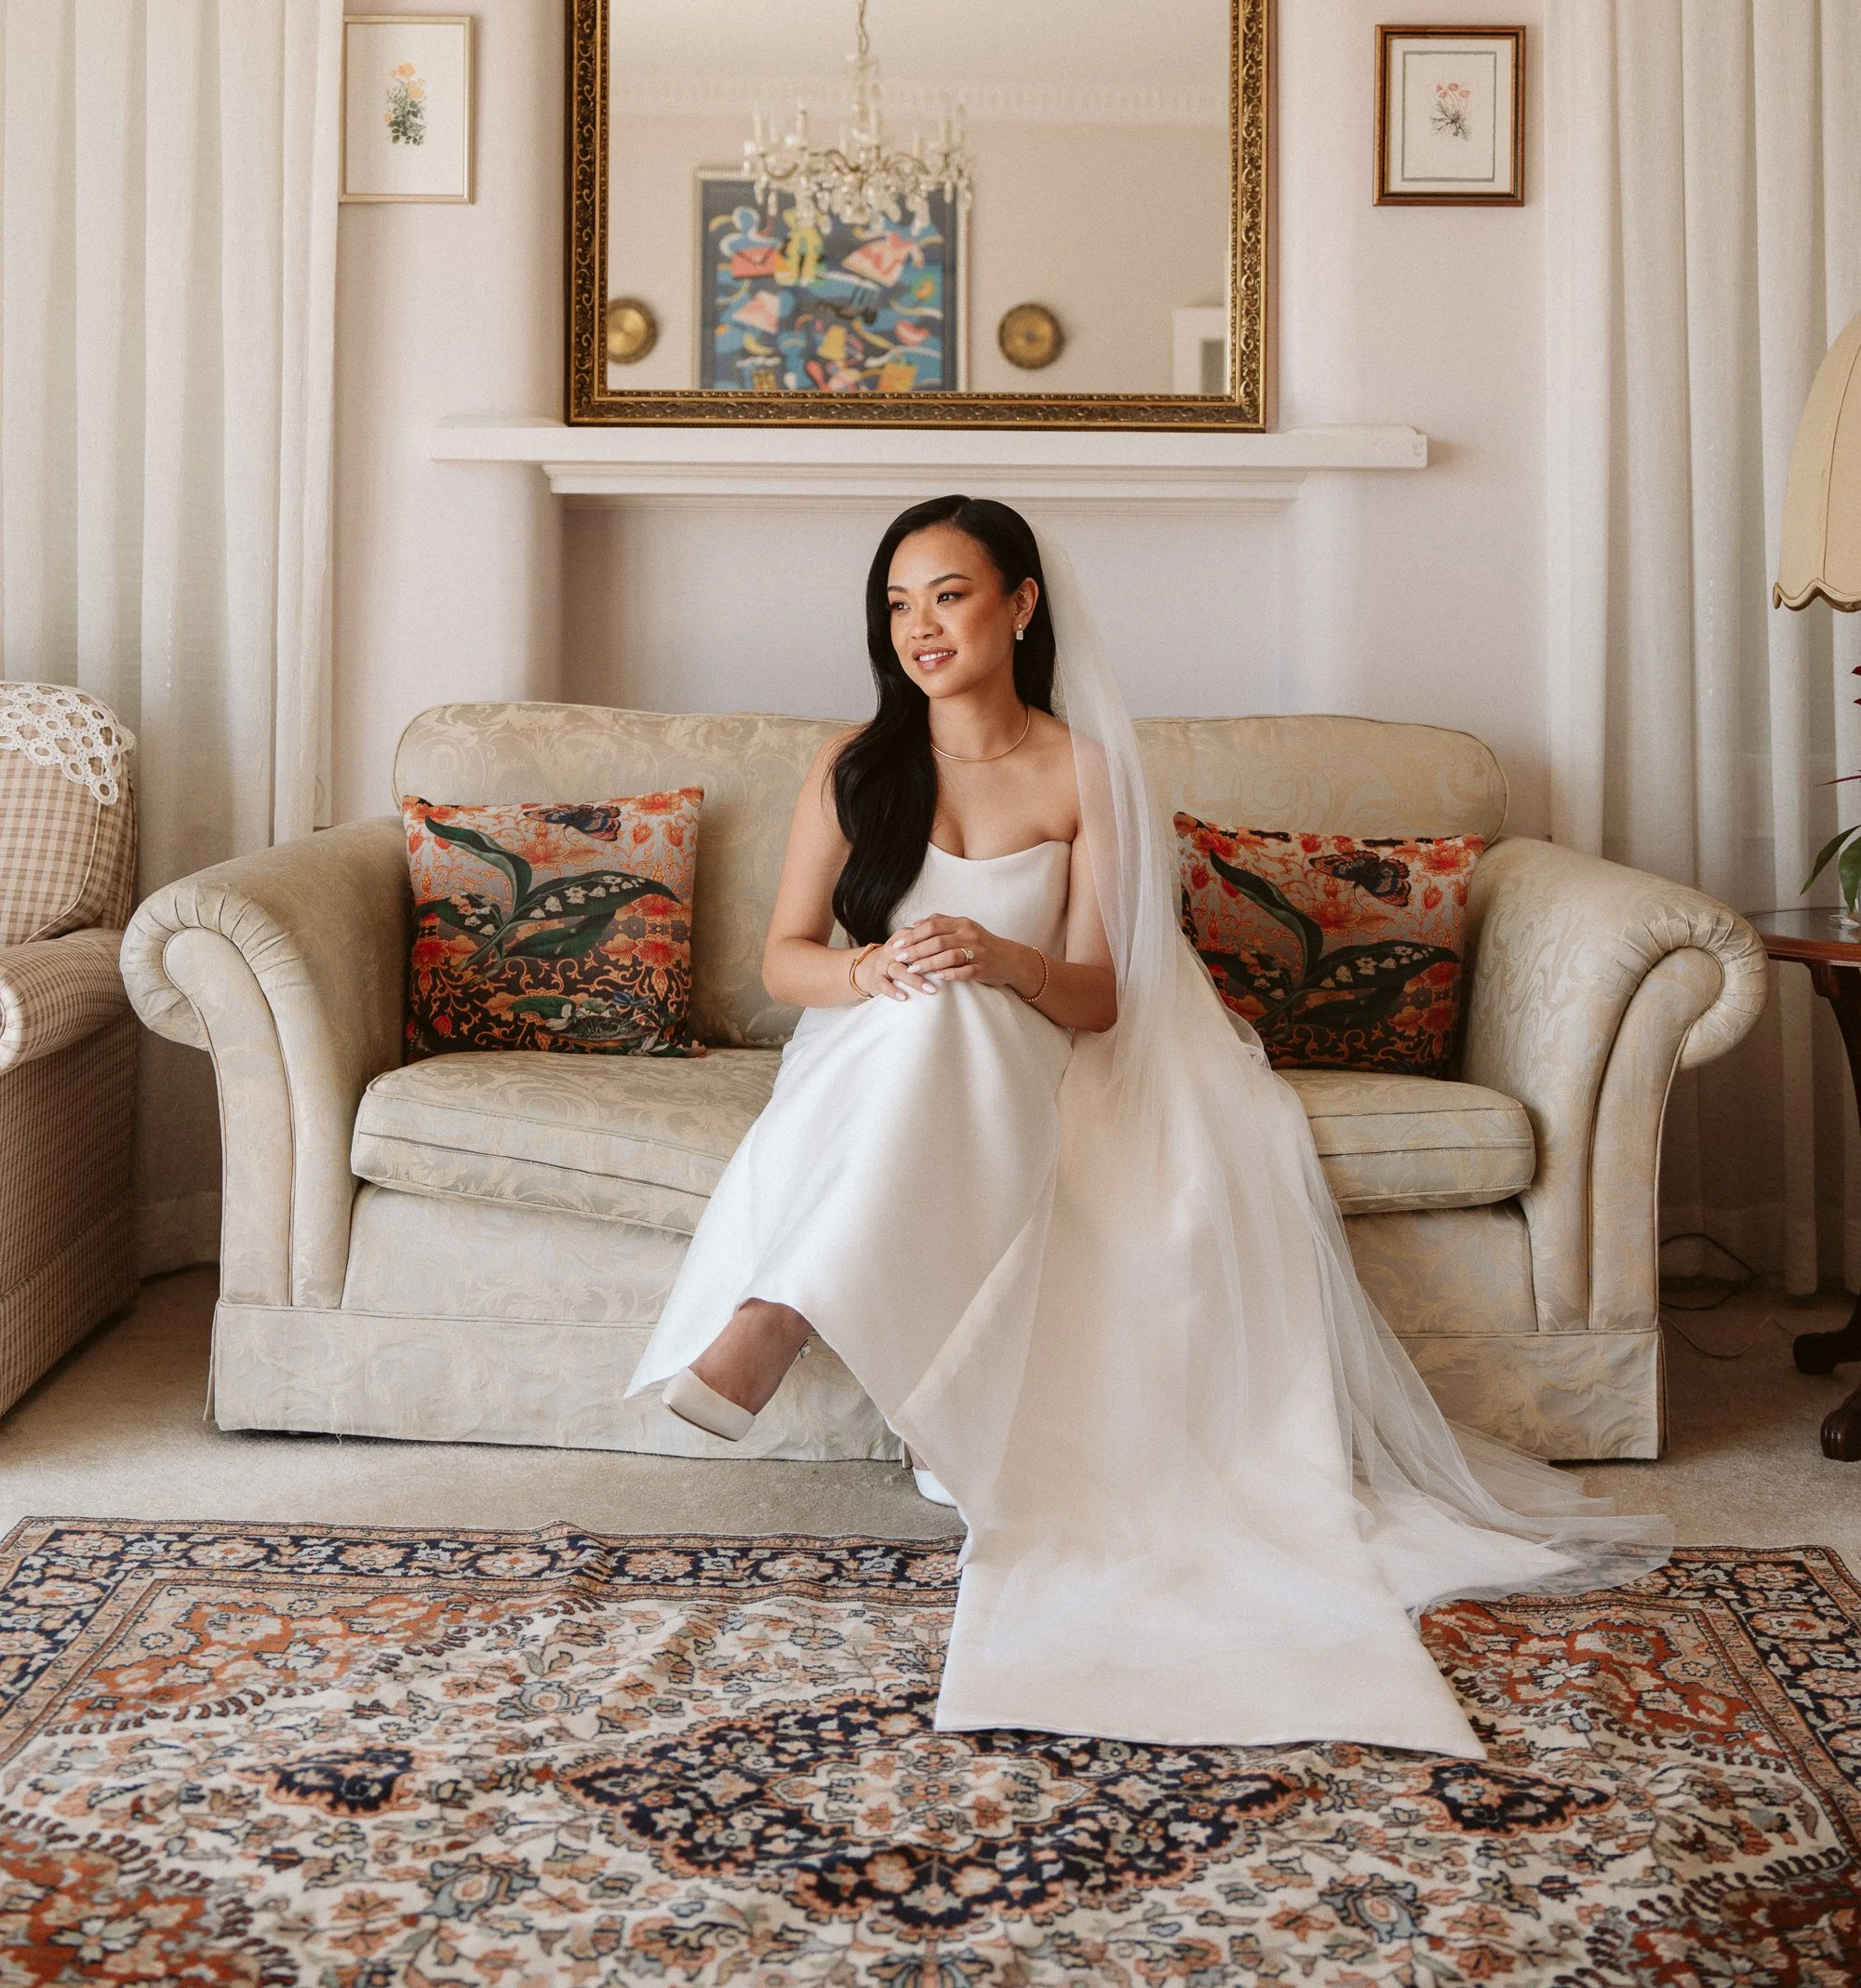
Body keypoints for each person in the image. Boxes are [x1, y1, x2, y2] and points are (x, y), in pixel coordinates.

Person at [629, 496, 1671, 1754]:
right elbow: (788, 960)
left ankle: (782, 1310)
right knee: (926, 1014)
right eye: (898, 603)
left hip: (1027, 1037)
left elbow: (1100, 994)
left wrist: (997, 959)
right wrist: (876, 971)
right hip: (861, 1044)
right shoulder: (855, 764)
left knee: (962, 1012)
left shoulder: (1086, 772)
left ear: (1020, 606)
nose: (920, 627)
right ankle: (808, 1311)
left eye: (949, 595)